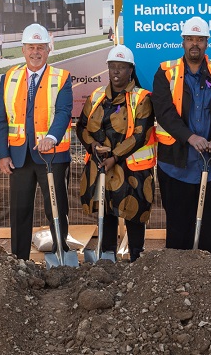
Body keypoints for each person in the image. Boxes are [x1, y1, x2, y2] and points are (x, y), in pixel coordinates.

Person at [151, 16, 211, 257]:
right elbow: (164, 112)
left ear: (207, 43)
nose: (195, 44)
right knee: (178, 229)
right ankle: (177, 279)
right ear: (183, 41)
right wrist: (190, 137)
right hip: (175, 164)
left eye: (200, 39)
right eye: (190, 38)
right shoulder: (165, 72)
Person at [0, 23, 74, 261]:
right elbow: (1, 118)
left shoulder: (62, 78)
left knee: (56, 209)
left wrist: (51, 137)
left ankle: (61, 253)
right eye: (31, 47)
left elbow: (63, 112)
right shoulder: (9, 78)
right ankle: (19, 260)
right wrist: (2, 154)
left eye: (40, 47)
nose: (36, 52)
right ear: (23, 50)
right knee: (20, 211)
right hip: (19, 157)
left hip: (52, 157)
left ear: (48, 50)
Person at [76, 45, 156, 262]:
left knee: (134, 213)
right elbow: (81, 126)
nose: (116, 72)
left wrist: (115, 157)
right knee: (107, 210)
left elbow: (139, 135)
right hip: (102, 165)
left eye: (121, 68)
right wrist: (92, 147)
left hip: (132, 169)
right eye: (112, 67)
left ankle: (137, 259)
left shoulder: (141, 98)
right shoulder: (97, 96)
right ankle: (107, 257)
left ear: (131, 70)